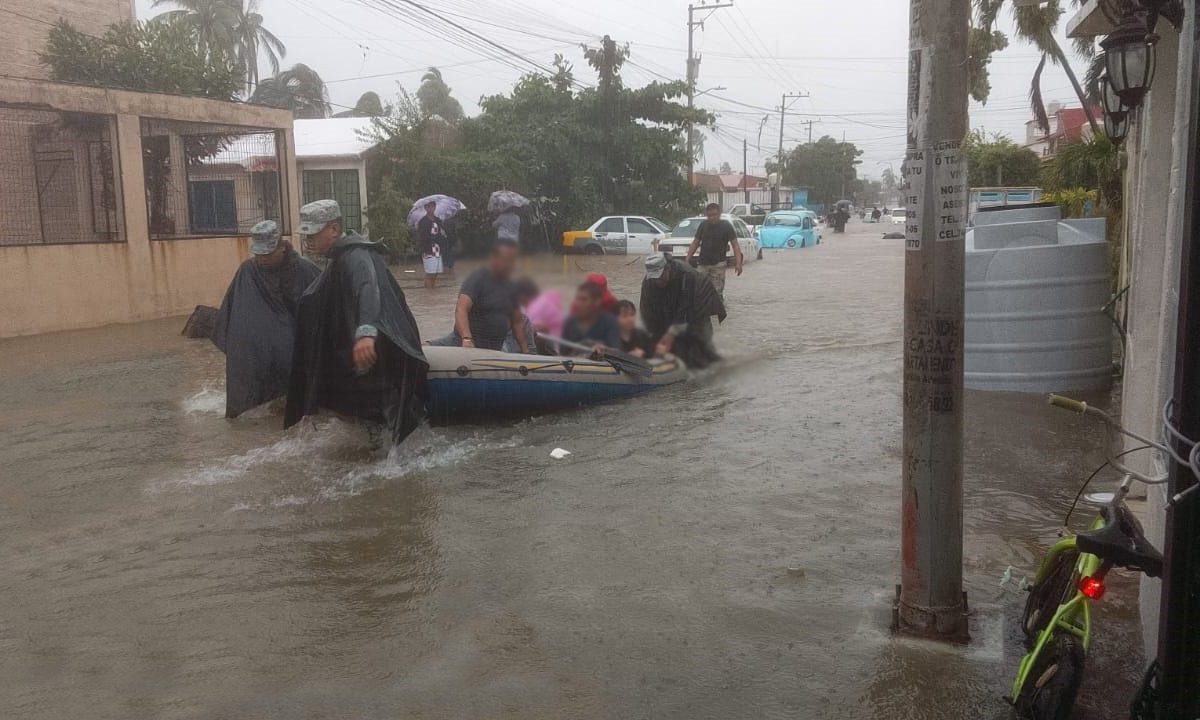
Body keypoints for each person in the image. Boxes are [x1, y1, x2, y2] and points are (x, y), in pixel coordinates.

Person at [284, 199, 429, 444]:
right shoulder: (339, 258)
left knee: (392, 411)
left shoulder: (357, 255)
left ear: (333, 229)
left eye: (314, 233)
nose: (308, 241)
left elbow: (367, 288)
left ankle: (399, 459)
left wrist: (366, 333)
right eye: (306, 234)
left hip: (381, 348)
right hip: (365, 352)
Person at [211, 220, 321, 418]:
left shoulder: (305, 270)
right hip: (259, 357)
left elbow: (322, 312)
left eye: (268, 254)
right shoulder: (248, 271)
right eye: (258, 254)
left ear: (281, 247)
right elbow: (231, 313)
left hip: (293, 357)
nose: (262, 259)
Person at [429, 239, 528, 353]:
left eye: (512, 261)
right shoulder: (478, 278)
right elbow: (461, 309)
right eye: (505, 261)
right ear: (494, 258)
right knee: (425, 348)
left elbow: (517, 323)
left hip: (495, 348)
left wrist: (526, 352)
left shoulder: (512, 288)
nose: (509, 265)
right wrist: (466, 338)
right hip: (464, 343)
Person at [640, 252, 726, 369]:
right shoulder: (648, 283)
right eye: (655, 278)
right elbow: (646, 313)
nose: (659, 281)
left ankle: (714, 364)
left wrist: (671, 334)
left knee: (697, 340)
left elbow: (686, 309)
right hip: (671, 303)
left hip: (698, 302)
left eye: (661, 276)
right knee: (660, 334)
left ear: (667, 269)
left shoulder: (687, 275)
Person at [686, 202, 744, 297]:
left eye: (714, 215)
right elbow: (695, 243)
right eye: (709, 215)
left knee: (717, 293)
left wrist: (738, 263)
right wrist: (688, 259)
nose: (712, 217)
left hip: (718, 264)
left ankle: (717, 310)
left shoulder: (726, 226)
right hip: (702, 264)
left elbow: (735, 245)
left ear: (719, 214)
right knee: (699, 291)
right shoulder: (703, 226)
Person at [562, 281, 622, 353]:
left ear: (597, 301)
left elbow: (617, 351)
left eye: (583, 299)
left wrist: (605, 349)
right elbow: (562, 354)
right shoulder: (570, 322)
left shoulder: (610, 322)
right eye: (577, 299)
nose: (578, 304)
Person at [417, 201, 445, 289]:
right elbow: (423, 237)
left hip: (437, 249)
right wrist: (437, 236)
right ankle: (428, 292)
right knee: (430, 273)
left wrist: (443, 234)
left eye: (432, 206)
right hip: (428, 249)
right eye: (428, 207)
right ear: (425, 208)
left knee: (436, 272)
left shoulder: (438, 220)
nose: (431, 208)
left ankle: (432, 289)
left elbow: (441, 234)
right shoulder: (423, 222)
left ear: (435, 207)